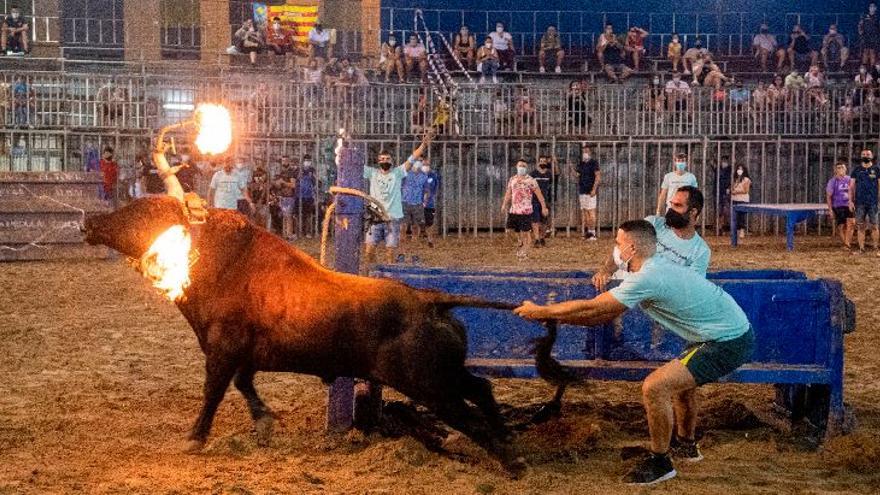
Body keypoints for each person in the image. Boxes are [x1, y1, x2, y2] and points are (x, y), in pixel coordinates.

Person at [515, 219, 754, 486]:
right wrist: (554, 318)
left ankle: (660, 463)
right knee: (681, 386)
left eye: (618, 243)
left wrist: (542, 311)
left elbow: (594, 308)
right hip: (721, 333)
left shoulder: (648, 276)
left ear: (631, 247)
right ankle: (685, 446)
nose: (615, 248)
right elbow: (600, 315)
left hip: (727, 340)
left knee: (655, 387)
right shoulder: (652, 268)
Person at [594, 186, 710, 287]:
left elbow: (691, 286)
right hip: (623, 284)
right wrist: (606, 270)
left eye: (678, 205)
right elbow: (621, 249)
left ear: (693, 212)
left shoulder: (701, 251)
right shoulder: (653, 223)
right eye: (671, 204)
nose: (671, 209)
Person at [364, 133, 432, 265]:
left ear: (392, 161)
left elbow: (412, 158)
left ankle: (390, 278)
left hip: (392, 219)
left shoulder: (398, 173)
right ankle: (373, 274)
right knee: (369, 251)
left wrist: (423, 144)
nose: (385, 161)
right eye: (382, 159)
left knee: (390, 252)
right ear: (378, 161)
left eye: (387, 159)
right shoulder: (371, 173)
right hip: (375, 218)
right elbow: (350, 166)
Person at [501, 159, 549, 259]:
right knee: (509, 231)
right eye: (520, 165)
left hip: (526, 211)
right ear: (516, 167)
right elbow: (508, 193)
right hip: (514, 210)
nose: (521, 168)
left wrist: (544, 207)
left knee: (526, 232)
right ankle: (520, 241)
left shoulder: (531, 180)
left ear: (526, 168)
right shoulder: (512, 179)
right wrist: (504, 204)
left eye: (523, 166)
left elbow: (539, 195)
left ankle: (524, 252)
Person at [850, 148, 880, 255]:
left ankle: (876, 249)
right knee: (860, 226)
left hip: (873, 203)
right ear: (861, 156)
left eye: (868, 154)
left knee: (874, 226)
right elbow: (852, 187)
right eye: (863, 154)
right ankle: (861, 249)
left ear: (872, 156)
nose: (865, 156)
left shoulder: (876, 169)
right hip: (859, 203)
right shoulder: (856, 170)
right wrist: (850, 201)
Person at [400, 157, 430, 250]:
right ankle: (402, 244)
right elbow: (399, 186)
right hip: (405, 201)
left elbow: (426, 190)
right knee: (403, 224)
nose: (419, 162)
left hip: (417, 203)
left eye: (421, 161)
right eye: (418, 160)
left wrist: (424, 202)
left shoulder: (424, 176)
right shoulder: (405, 174)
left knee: (416, 224)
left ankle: (414, 244)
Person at [573, 144, 600, 240]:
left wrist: (594, 189)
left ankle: (593, 232)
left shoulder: (594, 163)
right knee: (584, 212)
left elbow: (597, 176)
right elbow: (577, 175)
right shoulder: (581, 163)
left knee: (591, 211)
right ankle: (588, 231)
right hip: (582, 190)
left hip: (590, 191)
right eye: (584, 152)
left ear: (590, 153)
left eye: (587, 152)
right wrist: (571, 169)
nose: (585, 153)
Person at [530, 155, 558, 246]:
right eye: (540, 161)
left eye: (544, 161)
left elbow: (556, 176)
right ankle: (537, 239)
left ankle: (542, 238)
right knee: (535, 220)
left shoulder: (549, 174)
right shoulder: (533, 174)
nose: (542, 163)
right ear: (538, 162)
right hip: (534, 200)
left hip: (546, 199)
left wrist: (555, 162)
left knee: (544, 220)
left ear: (546, 163)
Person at [826, 161, 854, 250]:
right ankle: (846, 243)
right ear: (835, 170)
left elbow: (855, 192)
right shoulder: (832, 181)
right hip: (838, 206)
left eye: (842, 167)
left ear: (846, 169)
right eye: (838, 168)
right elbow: (828, 196)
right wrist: (830, 209)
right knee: (841, 226)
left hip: (849, 205)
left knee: (851, 224)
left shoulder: (850, 179)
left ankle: (847, 244)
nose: (840, 169)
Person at [273, 155, 297, 240]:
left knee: (289, 216)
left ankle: (289, 234)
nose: (284, 162)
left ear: (289, 161)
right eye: (283, 160)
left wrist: (283, 182)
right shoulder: (280, 172)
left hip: (289, 196)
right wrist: (277, 183)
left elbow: (293, 185)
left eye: (286, 160)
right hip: (282, 196)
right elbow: (276, 184)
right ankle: (285, 234)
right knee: (284, 216)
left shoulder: (292, 172)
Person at [296, 155, 317, 238]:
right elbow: (295, 181)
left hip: (309, 196)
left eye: (309, 160)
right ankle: (299, 232)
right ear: (303, 161)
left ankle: (308, 232)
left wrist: (312, 177)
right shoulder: (299, 170)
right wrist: (299, 176)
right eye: (306, 160)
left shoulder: (312, 170)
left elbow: (315, 182)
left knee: (308, 215)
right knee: (299, 215)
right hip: (299, 195)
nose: (307, 162)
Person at [422, 160, 440, 248]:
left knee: (429, 223)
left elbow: (434, 189)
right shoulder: (417, 175)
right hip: (416, 203)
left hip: (429, 204)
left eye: (426, 165)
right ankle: (415, 239)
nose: (425, 166)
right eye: (423, 165)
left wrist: (427, 199)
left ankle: (430, 240)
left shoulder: (433, 176)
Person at [731, 165, 752, 238]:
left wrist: (736, 192)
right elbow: (732, 188)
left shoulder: (746, 179)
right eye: (738, 169)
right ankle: (736, 231)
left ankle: (742, 231)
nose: (739, 170)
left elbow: (746, 190)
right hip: (735, 199)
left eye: (741, 169)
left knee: (741, 216)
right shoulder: (736, 179)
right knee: (736, 216)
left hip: (743, 199)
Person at [860, 3, 880, 67]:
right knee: (865, 53)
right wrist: (861, 34)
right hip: (866, 37)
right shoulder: (864, 17)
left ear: (875, 8)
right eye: (870, 6)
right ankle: (864, 69)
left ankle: (872, 69)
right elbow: (860, 26)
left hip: (874, 38)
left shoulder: (878, 18)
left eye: (873, 7)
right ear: (869, 8)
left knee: (872, 53)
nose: (872, 8)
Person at [715, 158, 732, 234]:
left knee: (725, 211)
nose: (724, 163)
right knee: (719, 210)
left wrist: (729, 188)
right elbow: (711, 162)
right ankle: (719, 227)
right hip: (717, 192)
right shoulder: (717, 170)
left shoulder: (730, 170)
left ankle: (722, 226)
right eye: (723, 162)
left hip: (726, 193)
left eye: (725, 162)